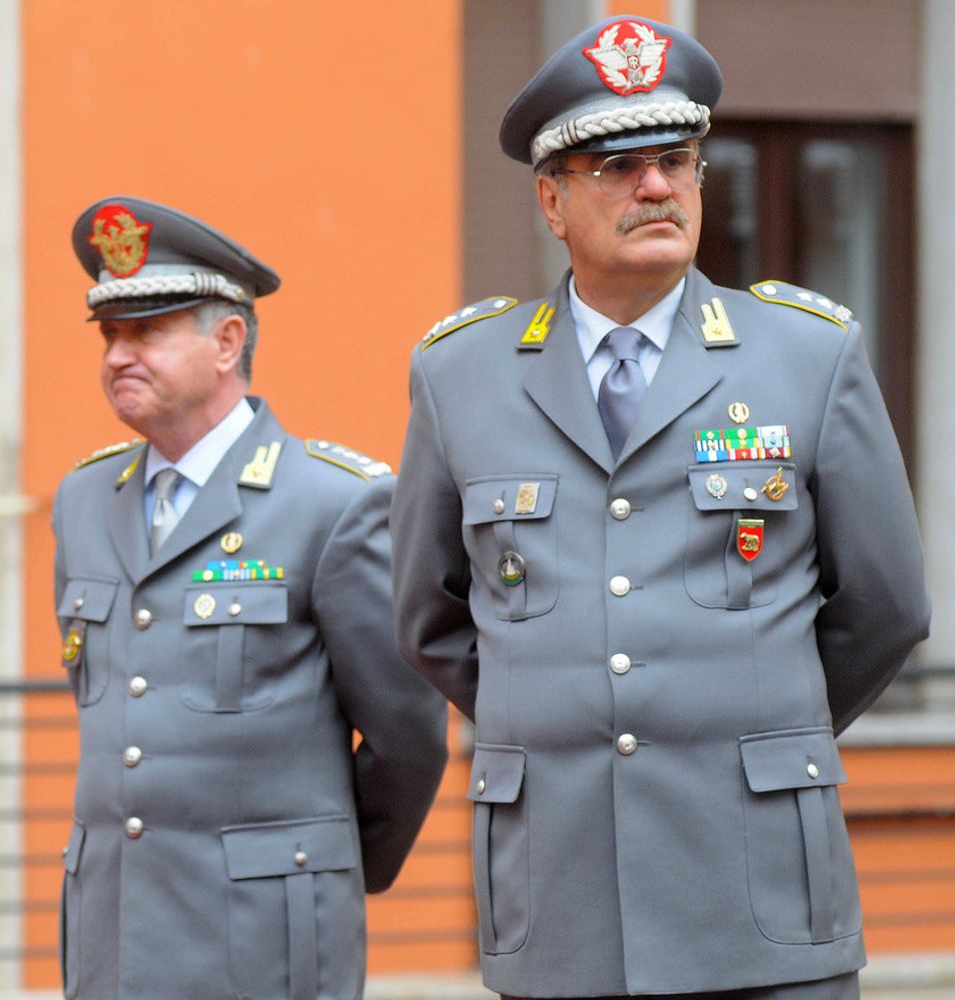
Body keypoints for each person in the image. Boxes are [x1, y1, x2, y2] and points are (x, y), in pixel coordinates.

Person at [390, 15, 930, 1000]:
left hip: (761, 898)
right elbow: (431, 617)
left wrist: (765, 725)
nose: (655, 188)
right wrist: (564, 712)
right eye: (617, 166)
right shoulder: (460, 375)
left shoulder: (808, 356)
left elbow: (886, 605)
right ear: (551, 200)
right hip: (561, 901)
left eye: (677, 161)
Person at [52, 196, 449, 999]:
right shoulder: (85, 498)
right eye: (110, 334)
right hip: (113, 931)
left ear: (228, 340)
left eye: (148, 331)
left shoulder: (331, 501)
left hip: (267, 934)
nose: (118, 355)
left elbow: (409, 732)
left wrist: (322, 858)